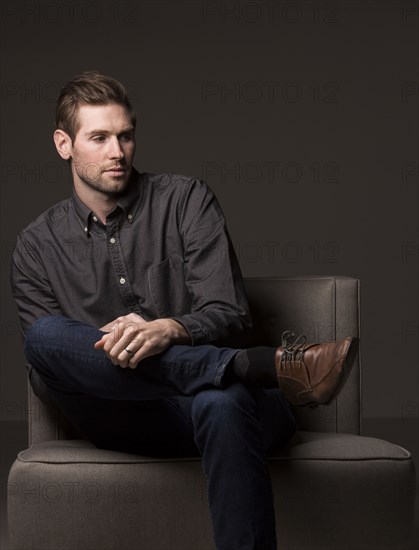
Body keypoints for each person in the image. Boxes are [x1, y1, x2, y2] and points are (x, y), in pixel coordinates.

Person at [10, 71, 356, 550]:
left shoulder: (186, 200)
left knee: (222, 399)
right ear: (63, 144)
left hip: (231, 408)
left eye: (125, 136)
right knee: (44, 339)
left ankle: (230, 372)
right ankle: (262, 366)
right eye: (100, 137)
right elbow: (50, 368)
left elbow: (230, 312)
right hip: (125, 417)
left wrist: (170, 328)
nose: (118, 151)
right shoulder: (35, 246)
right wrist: (133, 350)